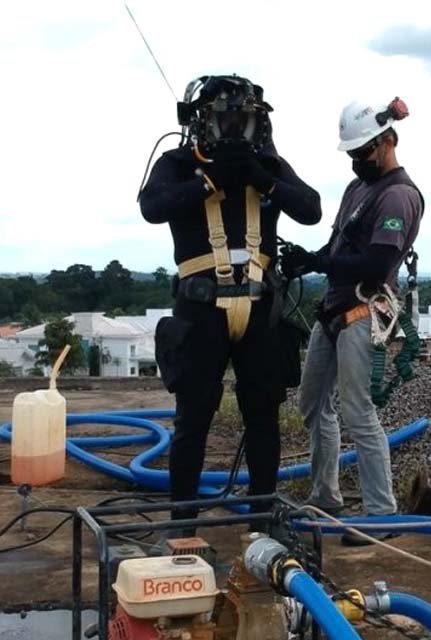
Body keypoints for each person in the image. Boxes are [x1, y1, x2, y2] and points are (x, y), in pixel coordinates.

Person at [140, 74, 322, 527]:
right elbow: (150, 206)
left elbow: (312, 208)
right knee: (193, 418)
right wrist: (209, 181)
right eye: (225, 121)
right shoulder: (179, 163)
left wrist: (263, 177)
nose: (234, 130)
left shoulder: (269, 166)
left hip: (261, 307)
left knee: (263, 417)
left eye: (243, 121)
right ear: (203, 122)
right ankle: (183, 524)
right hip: (200, 307)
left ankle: (263, 520)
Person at [281, 97, 423, 546]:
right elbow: (339, 250)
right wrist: (310, 262)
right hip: (334, 310)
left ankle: (382, 513)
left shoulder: (398, 194)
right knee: (312, 404)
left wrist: (319, 264)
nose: (357, 161)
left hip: (364, 310)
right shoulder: (356, 190)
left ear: (388, 141)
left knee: (359, 413)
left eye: (363, 153)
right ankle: (327, 495)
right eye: (352, 154)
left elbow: (376, 263)